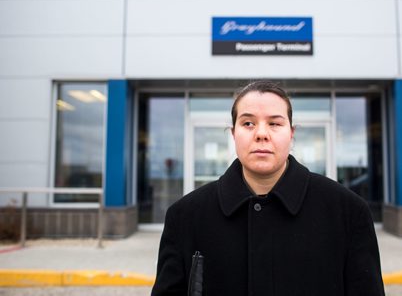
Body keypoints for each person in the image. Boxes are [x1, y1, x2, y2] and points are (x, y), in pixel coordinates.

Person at [152, 81, 385, 296]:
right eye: (248, 123)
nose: (261, 134)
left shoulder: (348, 212)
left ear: (291, 133)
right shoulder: (185, 216)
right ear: (233, 133)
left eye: (274, 123)